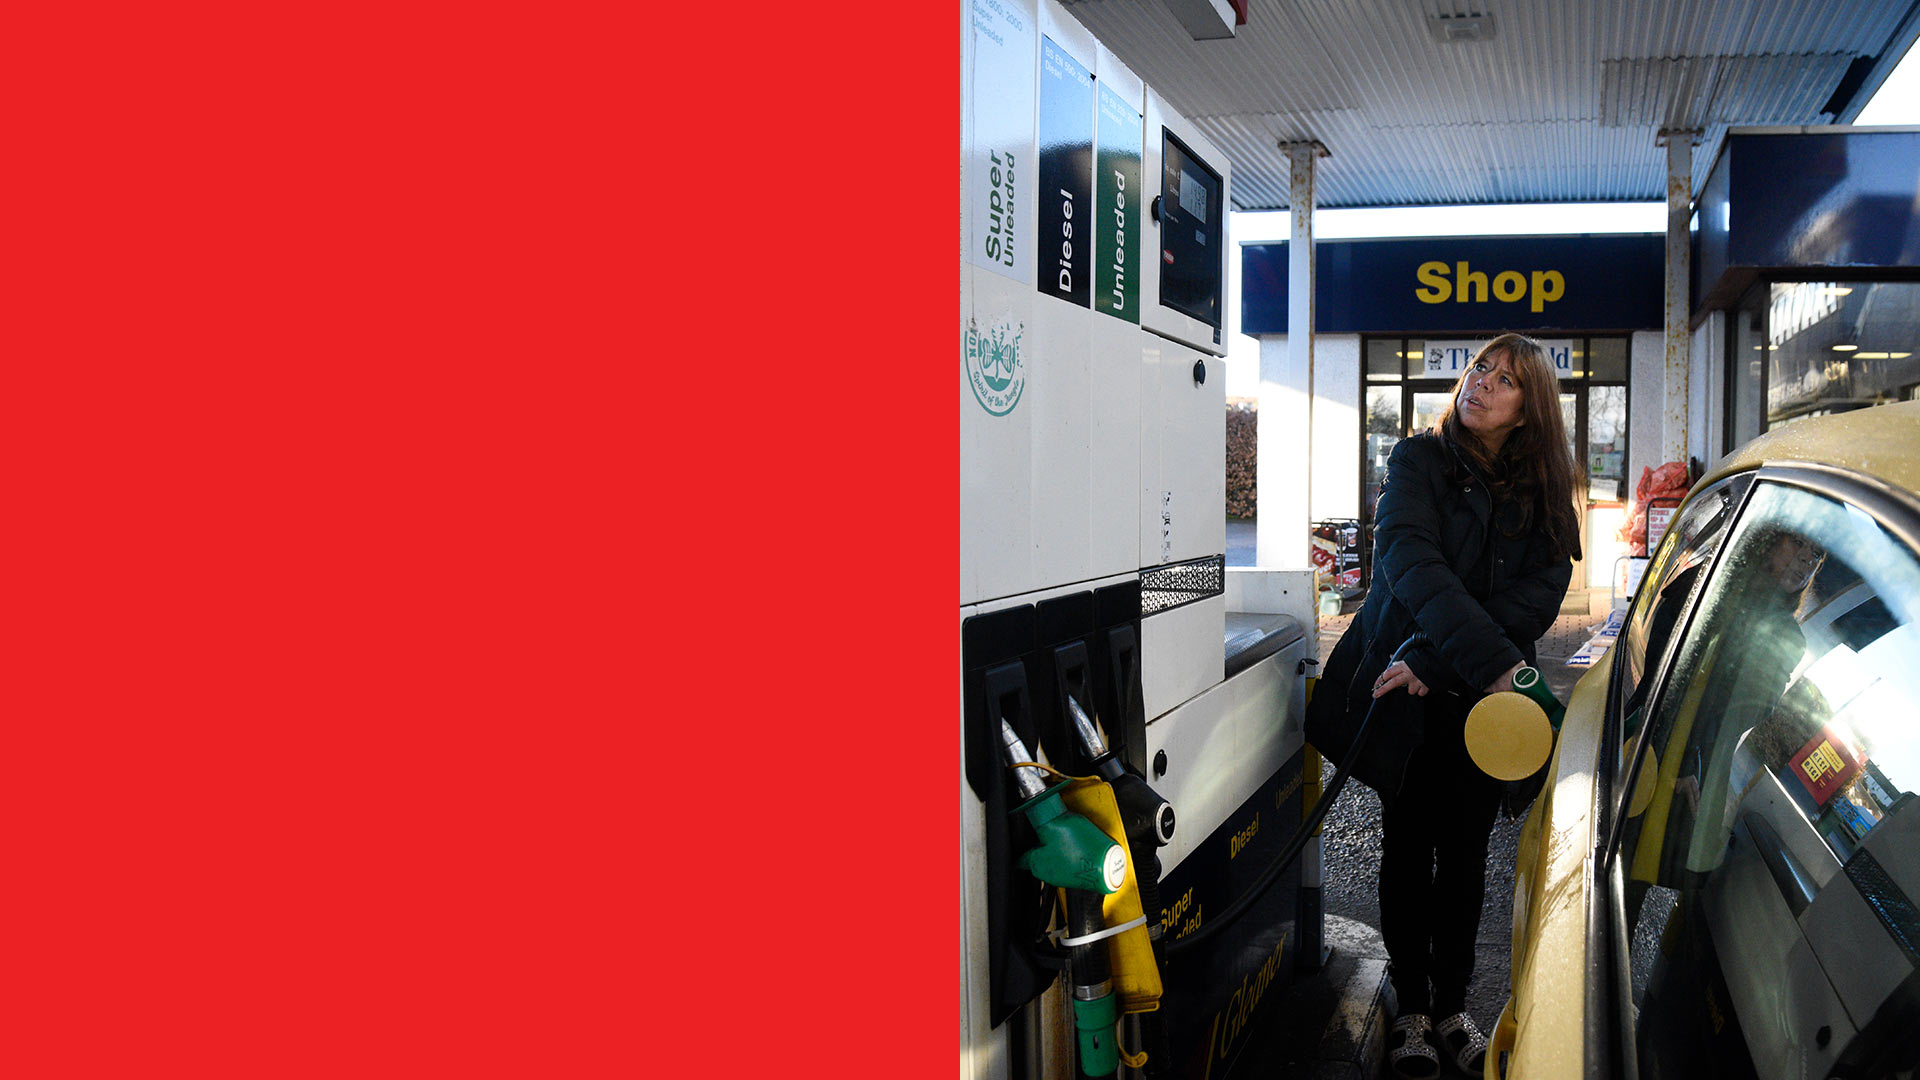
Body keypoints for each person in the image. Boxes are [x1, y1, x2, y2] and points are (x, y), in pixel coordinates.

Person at [1308, 334, 1579, 1078]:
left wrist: (1441, 657)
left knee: (1464, 855)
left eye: (1504, 380)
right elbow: (1408, 561)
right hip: (1407, 696)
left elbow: (1542, 589)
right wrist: (1483, 657)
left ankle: (1454, 1004)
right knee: (1407, 849)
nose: (1481, 384)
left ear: (1529, 410)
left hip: (1473, 702)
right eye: (1479, 370)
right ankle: (1412, 1005)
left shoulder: (1546, 485)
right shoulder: (1418, 461)